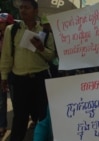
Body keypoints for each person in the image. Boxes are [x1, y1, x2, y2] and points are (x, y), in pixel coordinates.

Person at [0, 0, 56, 140]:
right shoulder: (12, 30)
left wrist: (40, 48)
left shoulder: (45, 31)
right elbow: (6, 56)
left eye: (27, 7)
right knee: (20, 118)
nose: (23, 10)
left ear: (36, 11)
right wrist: (4, 76)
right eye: (21, 7)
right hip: (19, 81)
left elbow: (51, 55)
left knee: (42, 116)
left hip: (40, 79)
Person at [0, 12, 14, 137]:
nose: (0, 26)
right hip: (2, 73)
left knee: (17, 101)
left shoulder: (14, 37)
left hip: (14, 73)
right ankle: (2, 125)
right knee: (1, 100)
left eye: (2, 23)